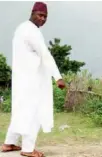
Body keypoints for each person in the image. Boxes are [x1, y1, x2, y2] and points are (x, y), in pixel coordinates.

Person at [1, 2, 65, 157]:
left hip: (20, 80)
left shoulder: (21, 28)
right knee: (33, 112)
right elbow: (45, 55)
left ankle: (9, 143)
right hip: (32, 81)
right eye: (40, 15)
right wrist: (58, 77)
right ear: (32, 13)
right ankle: (28, 149)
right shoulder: (32, 31)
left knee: (20, 110)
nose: (43, 19)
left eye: (45, 16)